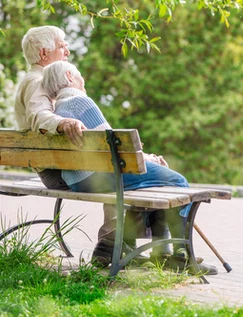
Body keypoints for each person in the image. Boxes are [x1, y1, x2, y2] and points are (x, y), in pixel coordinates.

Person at [41, 61, 217, 275]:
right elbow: (115, 148)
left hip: (77, 182)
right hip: (100, 176)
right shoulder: (80, 102)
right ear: (69, 76)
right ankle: (181, 255)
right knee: (178, 182)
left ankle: (163, 252)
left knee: (156, 186)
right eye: (81, 78)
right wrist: (150, 159)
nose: (83, 82)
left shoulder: (57, 112)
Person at [13, 26, 150, 268]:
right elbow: (38, 116)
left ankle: (116, 244)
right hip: (59, 171)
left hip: (59, 165)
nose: (67, 51)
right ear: (44, 54)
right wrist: (63, 122)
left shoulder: (37, 80)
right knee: (120, 170)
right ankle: (113, 244)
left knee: (114, 167)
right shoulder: (37, 81)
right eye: (61, 45)